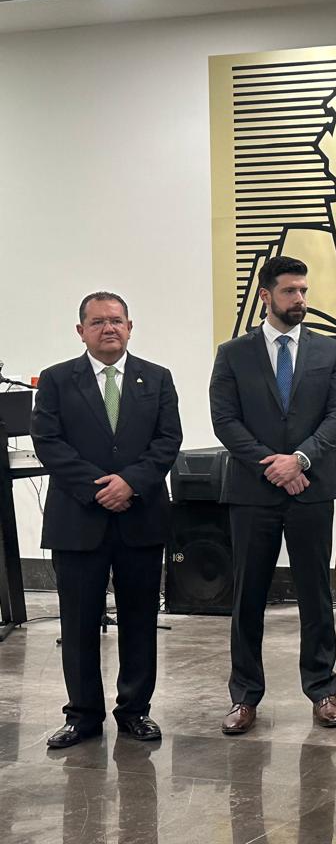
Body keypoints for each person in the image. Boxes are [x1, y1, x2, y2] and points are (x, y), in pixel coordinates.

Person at [210, 255, 336, 735]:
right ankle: (244, 696)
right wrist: (273, 465)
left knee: (316, 594)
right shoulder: (234, 354)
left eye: (303, 291)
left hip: (312, 487)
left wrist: (301, 460)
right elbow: (225, 420)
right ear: (266, 295)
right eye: (290, 291)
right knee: (248, 595)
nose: (300, 299)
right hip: (253, 491)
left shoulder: (328, 350)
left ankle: (323, 690)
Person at [32, 292, 182, 748]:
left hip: (140, 516)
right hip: (78, 519)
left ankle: (135, 711)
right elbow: (48, 442)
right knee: (78, 623)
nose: (108, 328)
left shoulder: (156, 378)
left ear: (130, 327)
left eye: (116, 320)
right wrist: (100, 487)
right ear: (81, 331)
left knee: (139, 619)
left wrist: (130, 483)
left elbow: (168, 439)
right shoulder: (57, 380)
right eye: (97, 322)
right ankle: (82, 716)